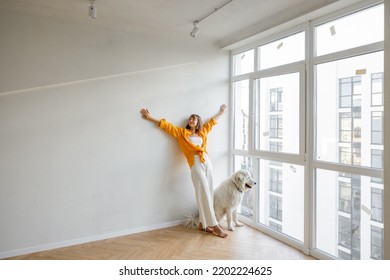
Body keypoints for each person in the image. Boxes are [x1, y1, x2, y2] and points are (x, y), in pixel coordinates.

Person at [140, 104, 228, 238]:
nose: (191, 120)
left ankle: (202, 223)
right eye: (190, 119)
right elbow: (166, 126)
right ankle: (215, 225)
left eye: (194, 119)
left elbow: (212, 122)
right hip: (195, 163)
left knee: (208, 192)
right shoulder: (182, 133)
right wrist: (150, 117)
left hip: (207, 161)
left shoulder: (202, 132)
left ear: (198, 122)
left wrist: (221, 112)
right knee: (203, 192)